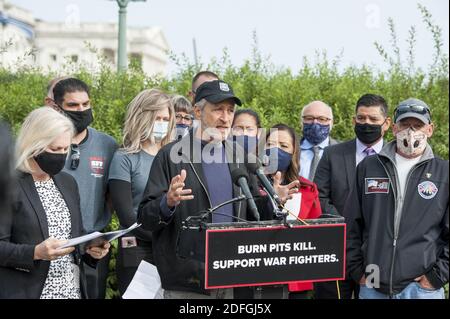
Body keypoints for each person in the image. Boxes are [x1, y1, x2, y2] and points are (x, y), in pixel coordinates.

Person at [138, 80, 297, 299]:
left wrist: (272, 198)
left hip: (230, 275)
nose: (225, 118)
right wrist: (168, 202)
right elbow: (146, 218)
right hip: (187, 282)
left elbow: (253, 216)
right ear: (197, 111)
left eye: (230, 111)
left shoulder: (240, 157)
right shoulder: (171, 155)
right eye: (218, 109)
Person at [0, 107, 110, 299]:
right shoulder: (10, 183)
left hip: (70, 290)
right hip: (28, 291)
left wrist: (91, 247)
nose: (61, 155)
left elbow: (74, 234)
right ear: (34, 144)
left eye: (66, 149)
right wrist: (35, 252)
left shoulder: (67, 182)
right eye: (54, 149)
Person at [346, 98, 448, 299]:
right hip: (373, 282)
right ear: (393, 127)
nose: (411, 131)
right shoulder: (369, 167)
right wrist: (357, 271)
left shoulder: (444, 173)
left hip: (421, 288)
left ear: (430, 129)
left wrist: (436, 276)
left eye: (418, 125)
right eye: (404, 124)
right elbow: (352, 224)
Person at [313, 93, 391, 299]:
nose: (366, 123)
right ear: (353, 120)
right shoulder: (332, 154)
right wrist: (345, 226)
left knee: (372, 295)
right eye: (361, 118)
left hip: (374, 256)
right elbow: (319, 197)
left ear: (386, 123)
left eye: (373, 119)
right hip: (335, 250)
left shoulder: (394, 159)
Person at [51, 78, 118, 299]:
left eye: (85, 104)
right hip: (52, 246)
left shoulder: (107, 145)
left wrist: (100, 235)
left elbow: (111, 194)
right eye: (73, 105)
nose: (81, 110)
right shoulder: (45, 144)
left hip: (93, 248)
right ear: (56, 107)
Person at [108, 89, 176, 296]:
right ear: (142, 117)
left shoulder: (173, 157)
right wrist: (163, 237)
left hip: (170, 252)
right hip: (137, 249)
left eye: (166, 118)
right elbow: (127, 216)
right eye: (157, 118)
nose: (162, 123)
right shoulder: (124, 158)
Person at [265, 124, 322, 299]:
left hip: (295, 280)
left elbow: (316, 234)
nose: (276, 150)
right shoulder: (246, 185)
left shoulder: (307, 189)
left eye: (283, 146)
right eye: (270, 144)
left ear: (293, 153)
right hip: (256, 278)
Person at [299, 101, 338, 181]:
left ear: (331, 123)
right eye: (309, 118)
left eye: (322, 119)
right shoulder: (290, 150)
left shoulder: (343, 152)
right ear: (301, 122)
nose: (315, 122)